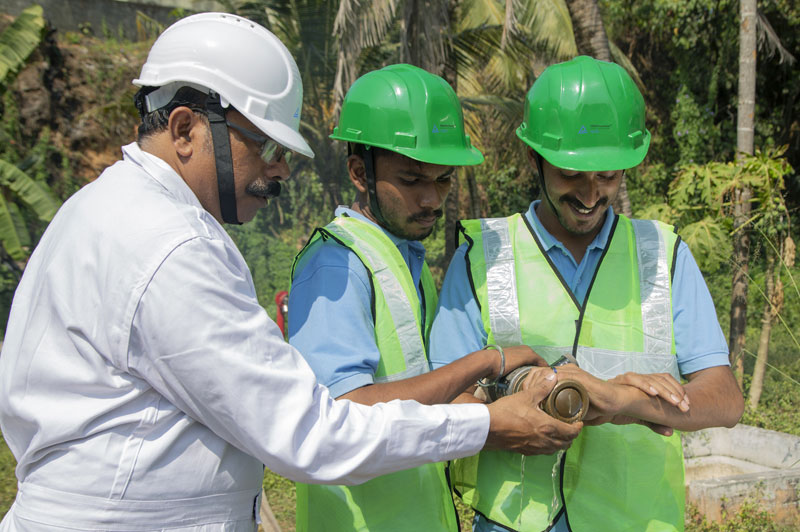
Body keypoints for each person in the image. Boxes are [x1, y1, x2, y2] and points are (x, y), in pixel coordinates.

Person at [0, 16, 586, 531]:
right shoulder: (170, 249)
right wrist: (483, 421)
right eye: (264, 146)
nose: (280, 170)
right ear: (185, 130)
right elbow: (314, 432)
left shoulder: (101, 209)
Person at [429, 56, 745, 532]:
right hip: (512, 522)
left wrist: (623, 401)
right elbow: (440, 405)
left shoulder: (664, 254)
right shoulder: (481, 257)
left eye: (608, 175)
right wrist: (507, 415)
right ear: (535, 158)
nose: (591, 192)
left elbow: (724, 398)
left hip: (637, 521)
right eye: (571, 173)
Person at [288, 64, 581, 532]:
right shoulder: (334, 265)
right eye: (410, 180)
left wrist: (506, 401)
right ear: (360, 172)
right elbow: (344, 414)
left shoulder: (405, 261)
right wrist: (487, 362)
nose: (431, 199)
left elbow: (420, 397)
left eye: (443, 180)